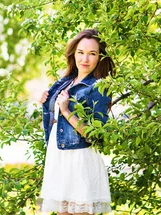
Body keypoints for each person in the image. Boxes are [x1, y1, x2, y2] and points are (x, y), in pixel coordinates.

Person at [37, 28, 115, 215]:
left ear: (100, 57)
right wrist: (46, 103)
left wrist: (65, 111)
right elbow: (54, 123)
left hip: (80, 160)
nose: (85, 59)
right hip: (59, 157)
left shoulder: (98, 87)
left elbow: (95, 134)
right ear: (74, 54)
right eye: (81, 52)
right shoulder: (64, 82)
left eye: (92, 54)